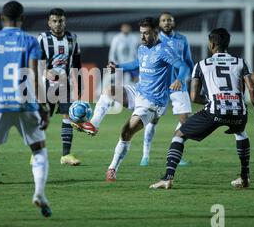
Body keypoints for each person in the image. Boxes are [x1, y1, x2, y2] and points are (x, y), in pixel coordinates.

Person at [73, 18, 189, 181]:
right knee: (109, 90)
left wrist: (180, 80)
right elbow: (137, 63)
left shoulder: (165, 50)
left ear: (155, 33)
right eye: (141, 33)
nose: (142, 37)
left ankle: (112, 168)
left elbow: (183, 66)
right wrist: (118, 67)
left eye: (146, 33)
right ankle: (93, 125)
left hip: (153, 102)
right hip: (138, 91)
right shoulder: (142, 48)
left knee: (126, 131)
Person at [0, 1, 51, 220]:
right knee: (39, 151)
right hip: (25, 104)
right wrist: (42, 106)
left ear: (1, 18)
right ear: (22, 19)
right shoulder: (30, 41)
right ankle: (39, 193)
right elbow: (34, 74)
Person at [150, 28, 254, 190]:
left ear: (212, 44)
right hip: (239, 111)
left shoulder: (202, 65)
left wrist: (210, 101)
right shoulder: (241, 62)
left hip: (214, 111)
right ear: (227, 44)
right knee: (241, 132)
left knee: (179, 134)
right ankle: (245, 177)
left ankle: (168, 178)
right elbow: (252, 90)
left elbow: (194, 97)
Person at [139, 12, 194, 166]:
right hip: (160, 86)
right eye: (163, 20)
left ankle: (175, 153)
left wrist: (187, 78)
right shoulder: (155, 40)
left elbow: (188, 61)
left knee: (185, 120)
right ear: (159, 25)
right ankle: (145, 155)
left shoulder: (182, 39)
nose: (167, 22)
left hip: (178, 84)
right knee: (153, 121)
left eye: (169, 20)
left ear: (174, 23)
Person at [38, 8, 83, 166]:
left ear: (65, 22)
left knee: (68, 118)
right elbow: (36, 62)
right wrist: (45, 72)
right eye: (54, 21)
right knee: (44, 119)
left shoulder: (72, 38)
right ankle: (36, 154)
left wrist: (80, 87)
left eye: (60, 21)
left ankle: (66, 155)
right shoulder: (42, 39)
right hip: (46, 86)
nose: (58, 24)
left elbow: (77, 64)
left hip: (65, 85)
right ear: (49, 23)